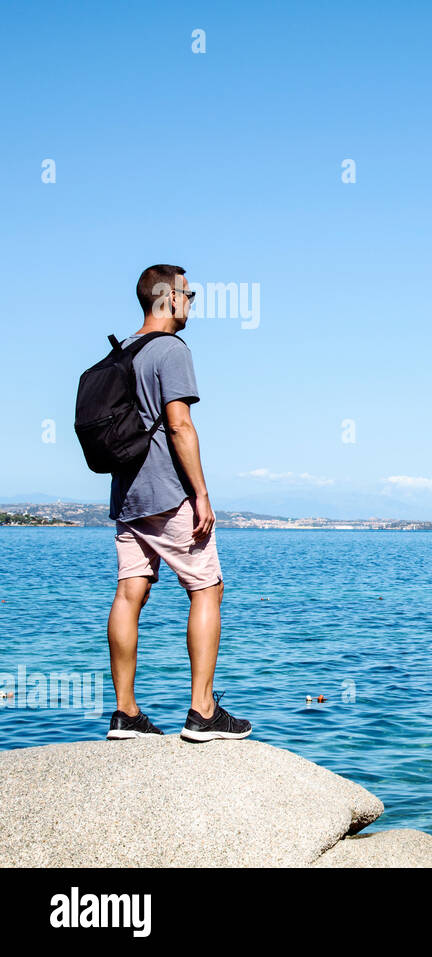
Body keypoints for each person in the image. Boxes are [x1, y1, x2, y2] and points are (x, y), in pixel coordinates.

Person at [104, 264, 251, 742]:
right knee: (207, 588)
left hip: (128, 495)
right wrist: (202, 493)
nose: (193, 303)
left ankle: (125, 714)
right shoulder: (170, 349)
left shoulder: (124, 350)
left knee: (131, 593)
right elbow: (180, 425)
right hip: (168, 491)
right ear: (168, 298)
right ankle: (203, 711)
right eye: (190, 294)